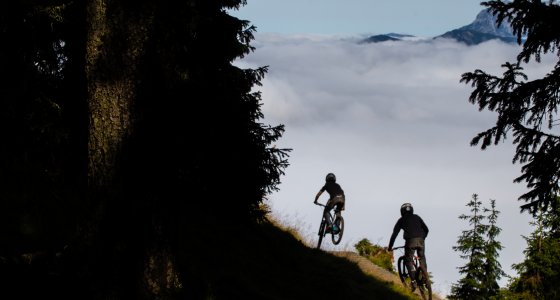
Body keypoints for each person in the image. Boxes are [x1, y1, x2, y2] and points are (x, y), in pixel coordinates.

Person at [387, 203, 429, 287]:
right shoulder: (417, 217)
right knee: (422, 257)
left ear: (402, 211)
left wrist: (390, 247)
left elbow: (394, 234)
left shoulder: (401, 220)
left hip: (410, 241)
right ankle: (425, 278)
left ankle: (413, 281)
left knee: (408, 260)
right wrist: (422, 238)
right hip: (421, 240)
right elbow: (426, 230)